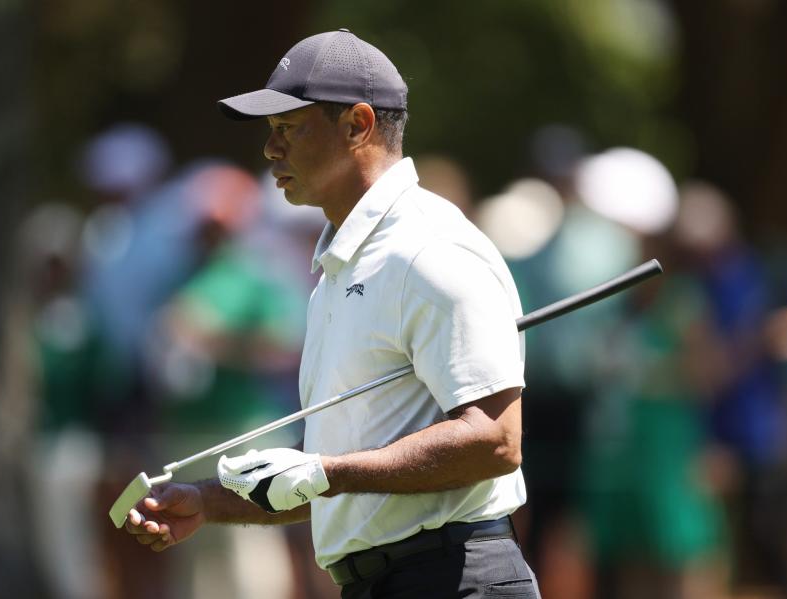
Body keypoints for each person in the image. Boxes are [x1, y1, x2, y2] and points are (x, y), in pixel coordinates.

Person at [123, 29, 540, 598]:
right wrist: (208, 501)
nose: (271, 150)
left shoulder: (430, 250)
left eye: (288, 128)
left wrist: (324, 472)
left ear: (358, 125)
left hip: (455, 579)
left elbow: (494, 439)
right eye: (271, 132)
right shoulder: (342, 266)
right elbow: (343, 460)